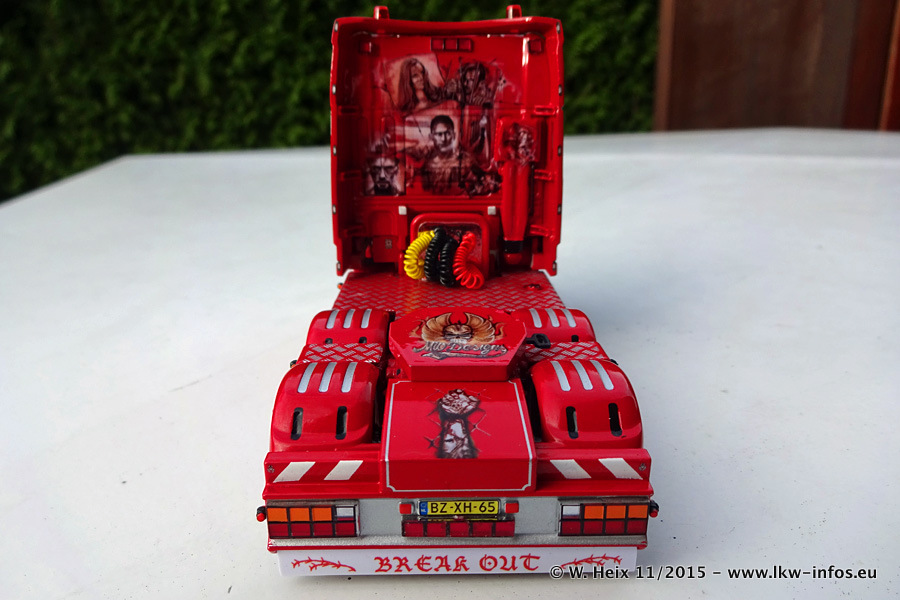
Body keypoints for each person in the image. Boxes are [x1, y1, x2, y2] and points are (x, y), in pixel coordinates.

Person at [421, 116, 474, 193]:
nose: (443, 139)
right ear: (431, 137)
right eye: (439, 134)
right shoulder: (426, 164)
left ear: (454, 135)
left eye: (447, 133)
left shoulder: (466, 162)